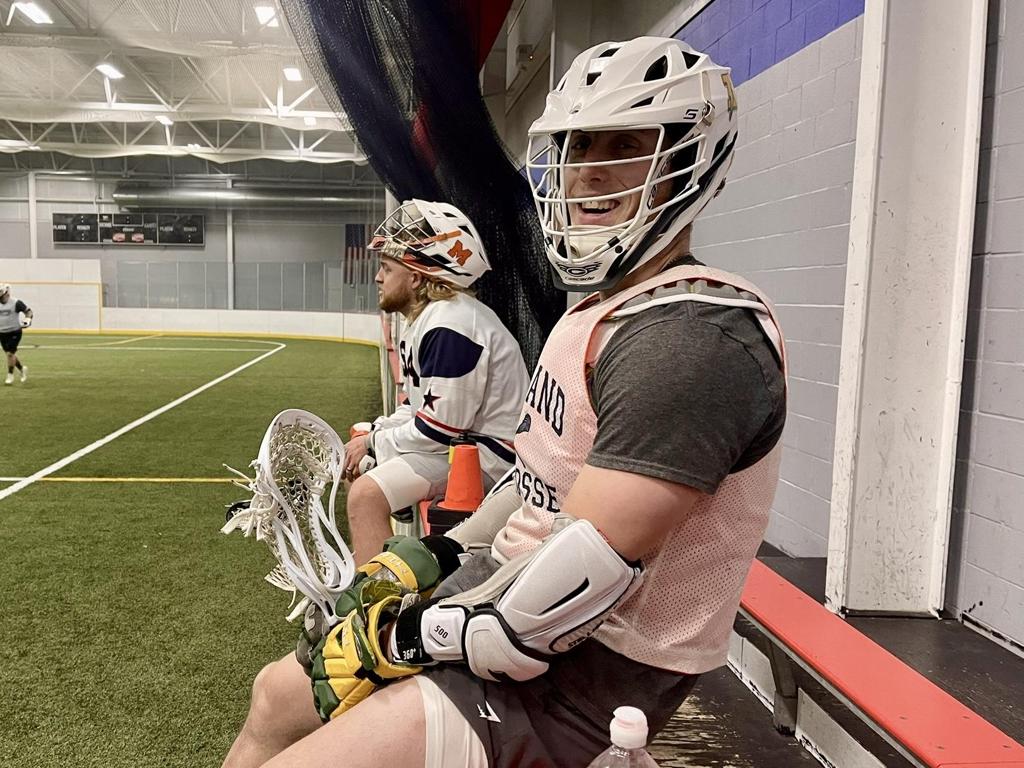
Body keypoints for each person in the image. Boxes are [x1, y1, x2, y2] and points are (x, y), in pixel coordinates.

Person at [222, 37, 786, 768]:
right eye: (579, 147)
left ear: (689, 159)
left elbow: (573, 585)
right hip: (502, 603)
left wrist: (401, 637)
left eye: (625, 145)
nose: (588, 171)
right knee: (275, 697)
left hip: (584, 671)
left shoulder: (691, 338)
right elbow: (535, 483)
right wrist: (435, 553)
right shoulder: (597, 313)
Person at [341, 199, 529, 564]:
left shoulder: (450, 324)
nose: (378, 278)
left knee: (365, 495)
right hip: (467, 448)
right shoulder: (433, 319)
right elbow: (417, 409)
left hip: (492, 461)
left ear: (416, 277)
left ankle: (379, 594)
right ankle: (376, 561)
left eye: (387, 268)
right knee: (362, 453)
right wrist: (374, 433)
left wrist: (375, 442)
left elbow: (439, 430)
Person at [1, 283, 32, 386]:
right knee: (10, 354)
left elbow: (28, 311)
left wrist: (28, 319)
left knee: (10, 354)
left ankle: (10, 375)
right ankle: (22, 369)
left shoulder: (16, 303)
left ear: (6, 292)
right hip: (2, 333)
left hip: (15, 332)